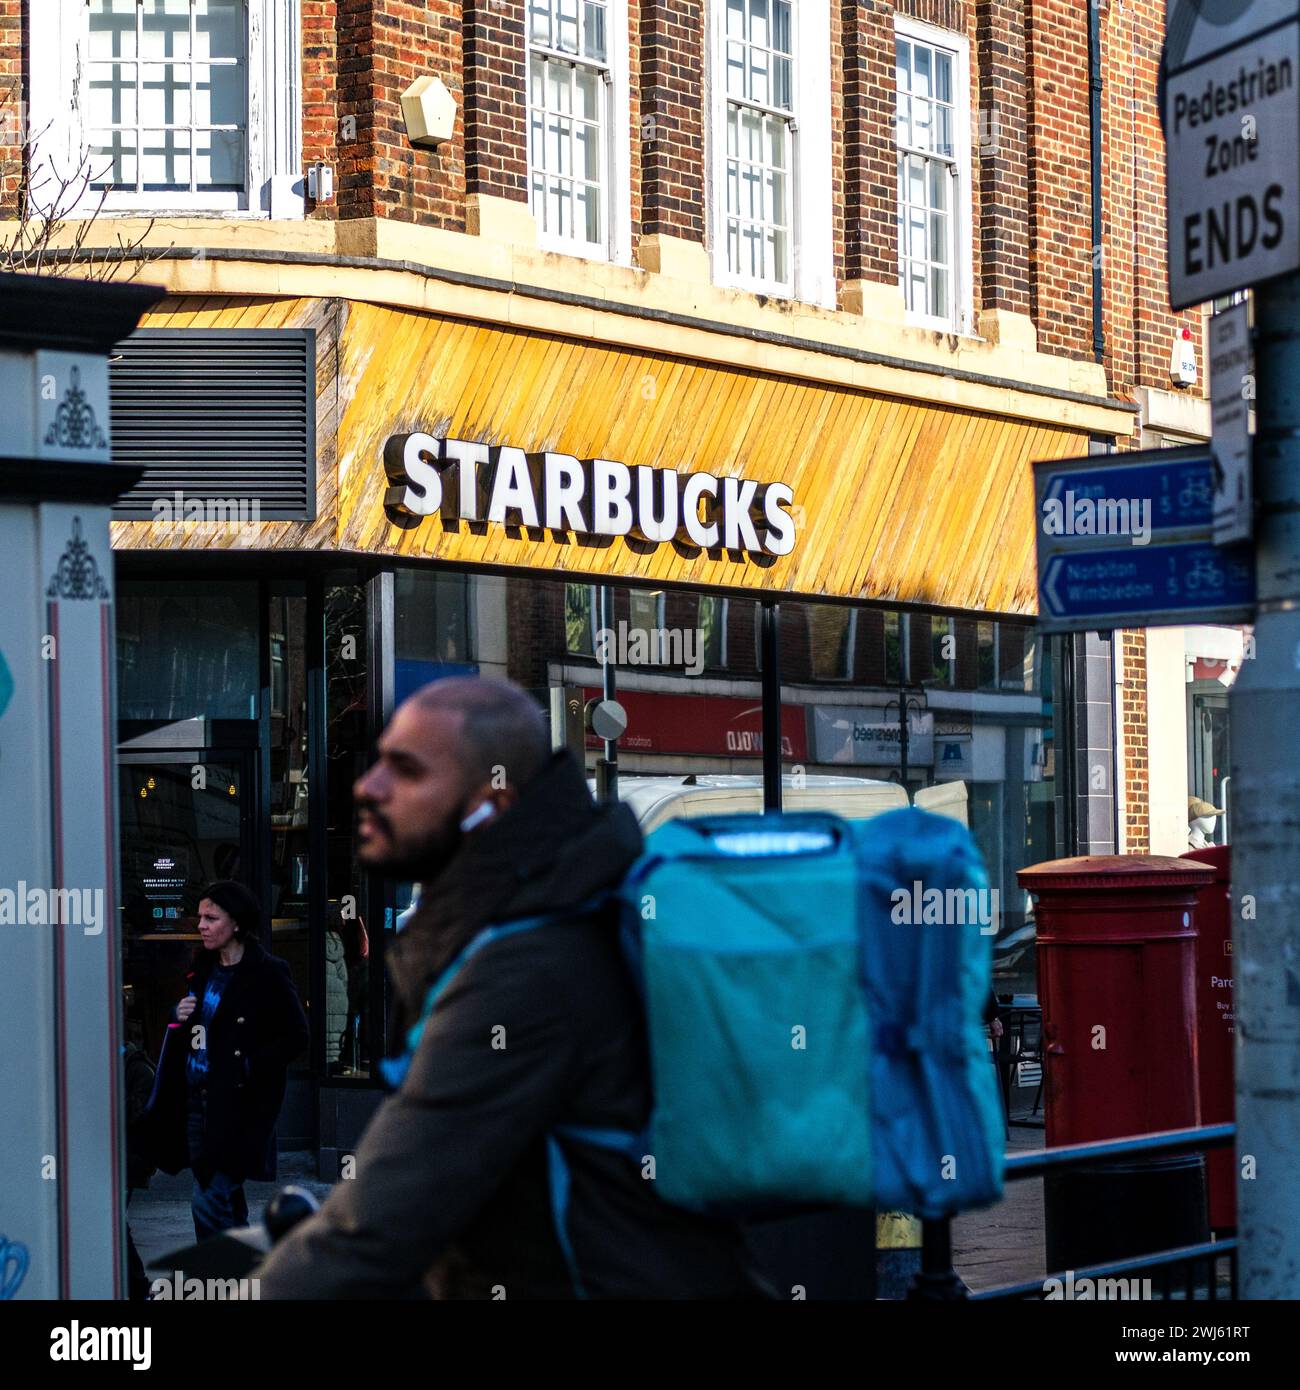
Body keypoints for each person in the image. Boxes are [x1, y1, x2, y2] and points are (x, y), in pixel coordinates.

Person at [257, 676, 763, 1299]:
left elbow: (380, 1222)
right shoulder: (524, 922)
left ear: (488, 804)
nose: (368, 787)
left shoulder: (530, 966)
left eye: (405, 770)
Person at [149, 881, 309, 1241]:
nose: (201, 925)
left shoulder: (268, 972)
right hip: (197, 1102)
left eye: (211, 917)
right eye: (200, 917)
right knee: (224, 1198)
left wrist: (249, 1065)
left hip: (238, 1106)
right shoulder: (202, 969)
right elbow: (194, 1029)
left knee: (207, 1202)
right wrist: (178, 1015)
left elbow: (297, 1036)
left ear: (236, 923)